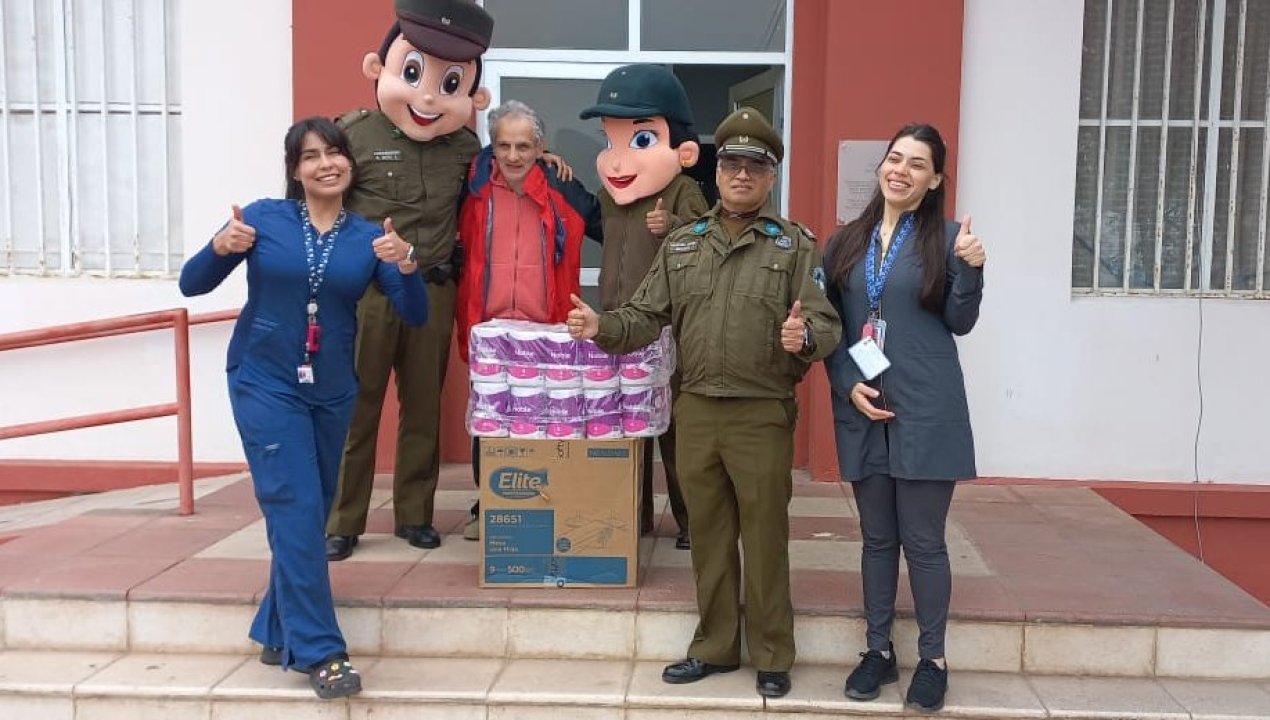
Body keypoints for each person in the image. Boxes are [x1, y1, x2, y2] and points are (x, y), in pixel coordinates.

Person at [567, 107, 841, 700]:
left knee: (764, 537)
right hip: (695, 411)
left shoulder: (794, 247)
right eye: (732, 165)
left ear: (771, 177)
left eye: (755, 166)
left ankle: (772, 651)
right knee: (710, 535)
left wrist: (807, 338)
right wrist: (601, 325)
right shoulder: (685, 244)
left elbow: (824, 321)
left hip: (761, 414)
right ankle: (715, 646)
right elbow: (645, 314)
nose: (741, 175)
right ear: (717, 174)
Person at [178, 117, 428, 699]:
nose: (325, 164)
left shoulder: (369, 237)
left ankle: (275, 626)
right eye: (311, 156)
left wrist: (407, 263)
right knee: (293, 502)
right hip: (264, 381)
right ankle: (321, 649)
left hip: (332, 389)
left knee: (310, 511)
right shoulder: (263, 218)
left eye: (335, 153)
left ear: (349, 163)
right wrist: (219, 248)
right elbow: (193, 284)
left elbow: (413, 313)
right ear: (295, 169)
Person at [822, 123, 986, 714]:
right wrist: (847, 384)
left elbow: (961, 321)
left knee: (923, 541)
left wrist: (972, 268)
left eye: (918, 164)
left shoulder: (947, 240)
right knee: (875, 539)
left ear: (935, 178)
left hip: (927, 406)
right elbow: (830, 329)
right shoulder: (843, 244)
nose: (902, 170)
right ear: (882, 167)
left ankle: (934, 660)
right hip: (865, 407)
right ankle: (877, 650)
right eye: (895, 158)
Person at [325, 0, 493, 560]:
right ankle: (343, 520)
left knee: (423, 405)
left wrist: (555, 163)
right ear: (380, 67)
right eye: (416, 73)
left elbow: (509, 177)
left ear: (472, 96)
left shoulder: (466, 146)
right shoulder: (352, 134)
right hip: (370, 294)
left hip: (432, 290)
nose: (427, 97)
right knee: (359, 404)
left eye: (448, 83)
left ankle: (414, 515)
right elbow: (322, 206)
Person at [455, 99, 601, 540]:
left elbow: (613, 227)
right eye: (504, 146)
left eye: (524, 146)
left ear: (541, 147)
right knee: (490, 419)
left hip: (547, 328)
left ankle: (547, 498)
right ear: (491, 148)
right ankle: (490, 504)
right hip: (490, 327)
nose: (514, 156)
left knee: (547, 418)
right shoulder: (474, 189)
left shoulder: (563, 187)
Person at [579, 63, 710, 550]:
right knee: (627, 429)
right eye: (608, 141)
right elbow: (591, 220)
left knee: (674, 433)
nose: (617, 159)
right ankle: (635, 516)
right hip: (617, 327)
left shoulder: (684, 191)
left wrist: (673, 224)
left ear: (684, 149)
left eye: (636, 140)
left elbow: (706, 244)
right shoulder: (613, 194)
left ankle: (691, 519)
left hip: (666, 332)